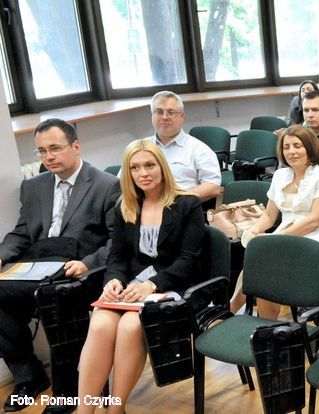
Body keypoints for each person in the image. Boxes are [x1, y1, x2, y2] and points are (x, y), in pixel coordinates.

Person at [77, 139, 205, 414]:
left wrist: (151, 285)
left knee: (131, 327)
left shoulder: (188, 204)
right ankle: (84, 411)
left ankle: (115, 409)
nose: (142, 173)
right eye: (134, 167)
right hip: (132, 288)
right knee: (100, 325)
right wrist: (113, 280)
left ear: (162, 166)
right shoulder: (125, 206)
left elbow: (188, 261)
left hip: (173, 286)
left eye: (149, 165)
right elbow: (117, 257)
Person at [0, 119, 119, 413]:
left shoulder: (106, 184)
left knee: (56, 299)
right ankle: (29, 377)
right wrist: (1, 255)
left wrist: (87, 263)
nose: (48, 157)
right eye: (42, 151)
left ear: (76, 146)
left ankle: (69, 390)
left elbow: (118, 241)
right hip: (39, 264)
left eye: (55, 148)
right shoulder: (33, 186)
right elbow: (22, 232)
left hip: (81, 270)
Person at [231, 126, 319, 316]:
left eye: (297, 146)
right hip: (283, 236)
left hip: (315, 242)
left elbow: (314, 221)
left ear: (309, 148)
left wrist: (275, 238)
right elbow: (269, 216)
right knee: (258, 260)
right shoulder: (280, 175)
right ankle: (252, 317)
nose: (291, 152)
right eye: (286, 147)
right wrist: (255, 230)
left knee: (262, 259)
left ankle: (231, 311)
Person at [147, 91, 222, 202]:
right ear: (152, 115)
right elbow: (123, 181)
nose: (165, 117)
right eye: (159, 112)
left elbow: (213, 187)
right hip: (143, 207)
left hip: (182, 207)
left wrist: (177, 200)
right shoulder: (140, 148)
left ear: (182, 116)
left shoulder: (199, 149)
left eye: (171, 112)